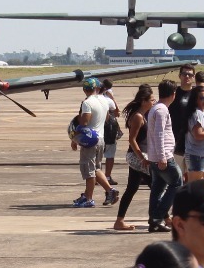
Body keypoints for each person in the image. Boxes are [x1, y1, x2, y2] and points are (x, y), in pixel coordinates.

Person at [112, 85, 154, 233]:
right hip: (138, 157)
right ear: (144, 101)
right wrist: (142, 157)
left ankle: (119, 221)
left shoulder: (142, 115)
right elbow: (132, 140)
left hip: (138, 157)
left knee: (132, 188)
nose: (153, 102)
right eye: (151, 100)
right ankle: (161, 217)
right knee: (156, 187)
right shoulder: (137, 117)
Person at [72, 78, 117, 209]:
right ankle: (109, 191)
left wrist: (75, 138)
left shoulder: (87, 103)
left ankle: (89, 199)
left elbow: (84, 123)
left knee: (89, 171)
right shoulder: (104, 100)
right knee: (97, 168)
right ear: (97, 88)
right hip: (101, 138)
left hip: (90, 141)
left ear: (84, 89)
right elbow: (108, 117)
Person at [145, 80, 182, 233]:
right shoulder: (161, 110)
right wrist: (162, 157)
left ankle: (154, 220)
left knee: (158, 188)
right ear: (173, 94)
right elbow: (159, 134)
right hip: (163, 156)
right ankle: (158, 216)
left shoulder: (156, 108)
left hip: (156, 155)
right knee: (177, 182)